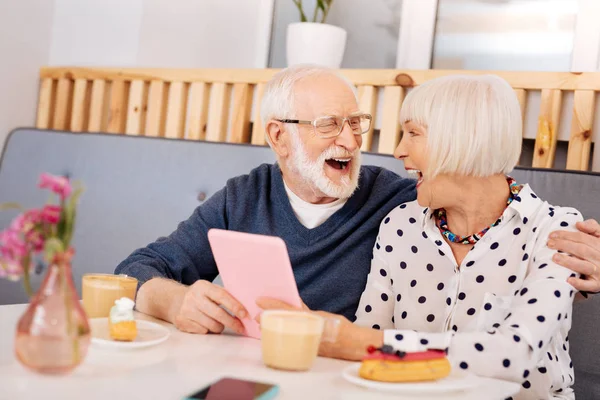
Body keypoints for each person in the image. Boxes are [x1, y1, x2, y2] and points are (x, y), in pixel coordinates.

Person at [115, 65, 600, 338]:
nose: (349, 140)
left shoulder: (397, 200)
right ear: (279, 136)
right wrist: (172, 297)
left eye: (356, 123)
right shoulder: (244, 197)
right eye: (329, 124)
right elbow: (136, 267)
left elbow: (490, 200)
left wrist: (586, 258)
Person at [262, 74, 580, 399]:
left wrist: (357, 341)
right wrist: (321, 331)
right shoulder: (400, 224)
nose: (399, 151)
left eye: (413, 133)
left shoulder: (556, 231)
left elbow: (514, 355)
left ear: (464, 138)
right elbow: (368, 343)